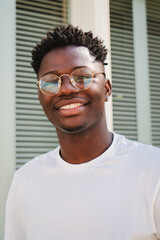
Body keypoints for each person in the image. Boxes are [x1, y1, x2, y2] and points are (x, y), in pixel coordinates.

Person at [5, 24, 160, 240]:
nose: (67, 89)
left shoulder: (153, 170)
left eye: (82, 76)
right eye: (51, 81)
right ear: (40, 96)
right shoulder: (25, 181)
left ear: (106, 89)